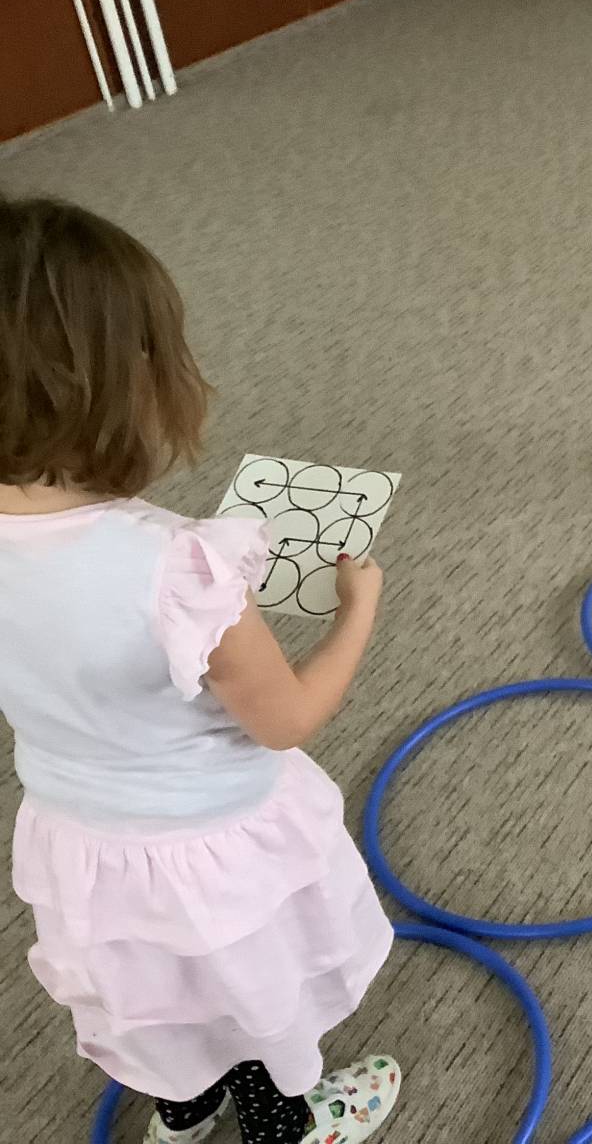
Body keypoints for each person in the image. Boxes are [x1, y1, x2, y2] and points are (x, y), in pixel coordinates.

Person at [0, 195, 401, 1144]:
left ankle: (182, 1110)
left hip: (80, 839)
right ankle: (282, 1123)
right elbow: (285, 719)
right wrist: (358, 612)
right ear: (125, 383)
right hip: (212, 841)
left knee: (152, 988)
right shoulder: (178, 567)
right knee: (237, 983)